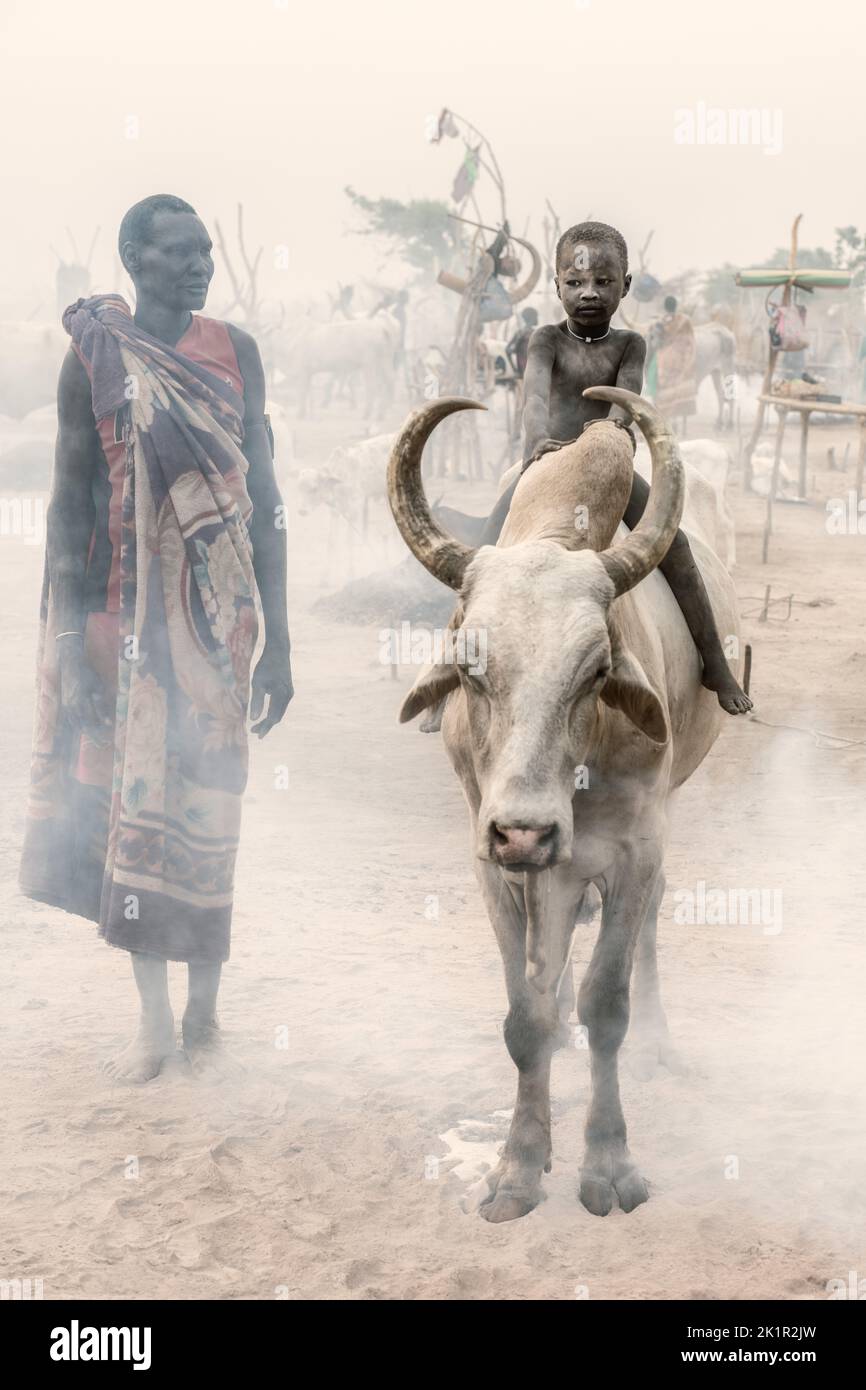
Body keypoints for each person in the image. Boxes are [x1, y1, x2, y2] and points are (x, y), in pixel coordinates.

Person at [19, 194, 294, 1080]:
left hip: (220, 627)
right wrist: (68, 642)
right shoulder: (94, 355)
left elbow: (265, 507)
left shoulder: (235, 354)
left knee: (209, 812)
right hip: (121, 618)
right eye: (178, 252)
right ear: (133, 257)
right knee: (134, 823)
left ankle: (206, 1012)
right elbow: (69, 505)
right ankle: (155, 1026)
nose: (198, 265)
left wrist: (280, 643)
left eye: (205, 251)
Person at [478, 221, 751, 716]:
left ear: (625, 286)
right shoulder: (544, 339)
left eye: (603, 282)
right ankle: (450, 663)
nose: (588, 293)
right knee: (480, 556)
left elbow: (624, 403)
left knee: (676, 545)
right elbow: (534, 396)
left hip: (608, 470)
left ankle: (715, 661)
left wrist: (606, 442)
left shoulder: (630, 344)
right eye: (575, 282)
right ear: (557, 285)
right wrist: (538, 441)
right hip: (546, 465)